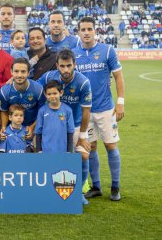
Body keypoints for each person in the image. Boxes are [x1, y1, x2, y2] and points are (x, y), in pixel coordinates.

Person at [73, 16, 125, 201]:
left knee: (111, 145)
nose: (86, 32)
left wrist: (120, 101)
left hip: (105, 108)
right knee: (91, 147)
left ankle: (115, 186)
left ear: (95, 31)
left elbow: (118, 76)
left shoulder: (107, 50)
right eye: (83, 29)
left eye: (90, 29)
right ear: (78, 32)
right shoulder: (74, 54)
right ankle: (96, 186)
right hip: (85, 111)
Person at [38, 49, 92, 204]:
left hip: (75, 125)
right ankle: (50, 189)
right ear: (57, 65)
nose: (66, 70)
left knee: (83, 155)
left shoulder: (83, 82)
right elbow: (35, 88)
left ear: (74, 64)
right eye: (62, 66)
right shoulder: (49, 76)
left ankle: (79, 190)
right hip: (53, 125)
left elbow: (86, 110)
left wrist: (82, 135)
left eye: (69, 65)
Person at [0, 58, 45, 149]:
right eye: (16, 71)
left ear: (28, 73)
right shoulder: (5, 91)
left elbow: (43, 112)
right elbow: (4, 111)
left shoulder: (38, 89)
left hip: (34, 125)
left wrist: (32, 127)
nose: (19, 75)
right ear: (11, 72)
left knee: (35, 152)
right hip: (13, 127)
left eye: (23, 72)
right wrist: (4, 128)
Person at [35, 80, 75, 154]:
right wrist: (39, 150)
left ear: (61, 93)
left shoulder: (68, 110)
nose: (52, 96)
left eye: (55, 93)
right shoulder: (42, 111)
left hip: (62, 151)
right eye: (49, 94)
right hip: (46, 152)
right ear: (45, 94)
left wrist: (69, 151)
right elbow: (38, 132)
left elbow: (70, 132)